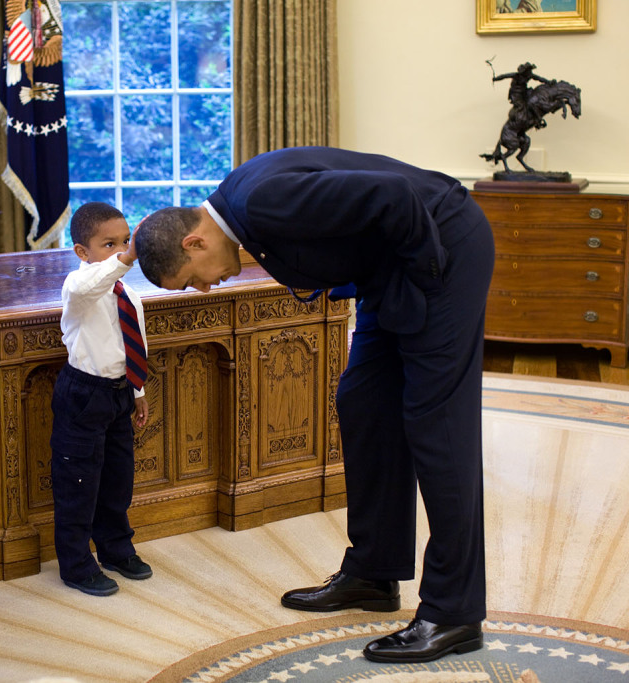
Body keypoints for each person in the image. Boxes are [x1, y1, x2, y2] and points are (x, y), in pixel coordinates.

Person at [134, 146, 495, 663]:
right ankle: (373, 573)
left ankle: (454, 613)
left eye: (192, 278)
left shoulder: (261, 201)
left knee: (438, 428)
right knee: (364, 404)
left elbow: (395, 195)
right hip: (393, 269)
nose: (205, 286)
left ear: (194, 241)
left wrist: (429, 280)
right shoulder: (242, 209)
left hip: (440, 251)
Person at [51, 202, 152, 597]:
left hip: (119, 394)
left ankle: (116, 548)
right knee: (79, 482)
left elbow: (133, 341)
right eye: (108, 244)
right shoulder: (78, 289)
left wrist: (138, 390)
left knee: (116, 479)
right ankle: (76, 564)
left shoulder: (127, 292)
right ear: (82, 252)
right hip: (83, 394)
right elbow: (88, 284)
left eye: (125, 241)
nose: (119, 250)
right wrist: (126, 258)